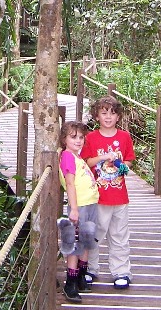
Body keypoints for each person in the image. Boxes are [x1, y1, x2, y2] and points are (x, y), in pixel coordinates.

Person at [81, 95, 135, 290]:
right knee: (96, 232)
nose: (108, 117)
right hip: (98, 195)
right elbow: (87, 162)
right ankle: (90, 268)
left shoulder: (125, 137)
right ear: (96, 116)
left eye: (112, 113)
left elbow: (128, 161)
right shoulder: (90, 138)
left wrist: (121, 166)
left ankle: (121, 272)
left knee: (120, 234)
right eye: (104, 113)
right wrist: (104, 157)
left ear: (118, 117)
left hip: (120, 196)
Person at [57, 121, 99, 303]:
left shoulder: (77, 157)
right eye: (73, 137)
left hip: (90, 204)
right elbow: (70, 183)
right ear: (64, 139)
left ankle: (81, 274)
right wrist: (73, 209)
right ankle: (71, 282)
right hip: (79, 206)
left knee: (86, 240)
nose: (78, 141)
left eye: (81, 137)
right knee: (75, 244)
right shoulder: (67, 156)